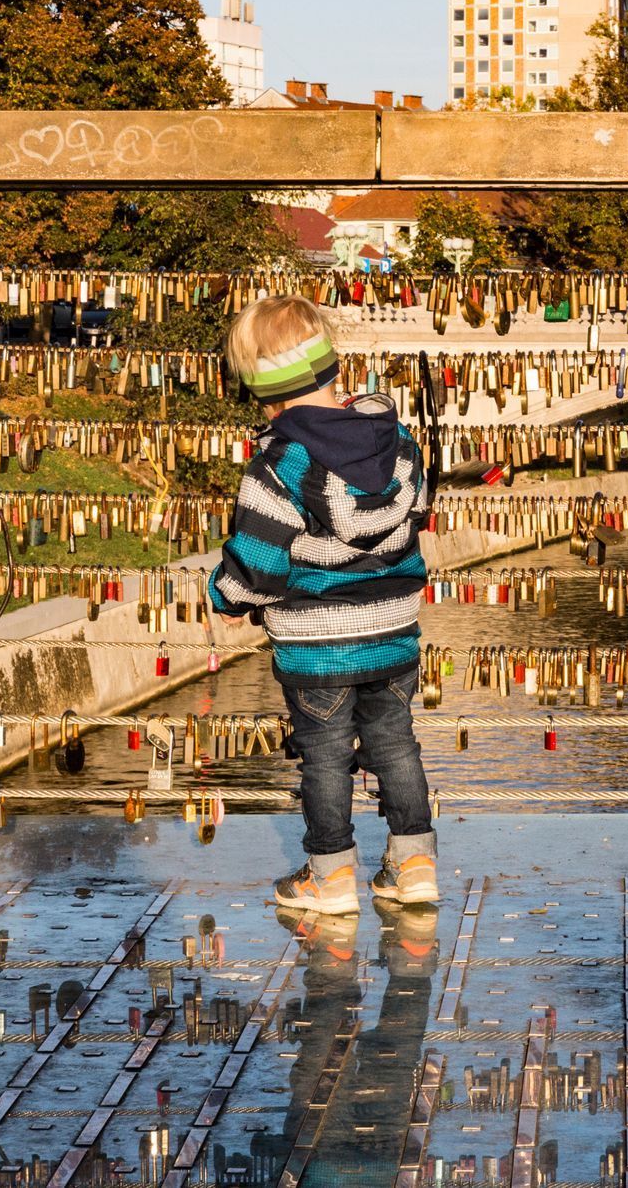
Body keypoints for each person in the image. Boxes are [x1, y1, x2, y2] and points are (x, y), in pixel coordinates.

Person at [210, 295, 438, 914]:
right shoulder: (399, 443)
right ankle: (415, 866)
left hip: (316, 646)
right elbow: (416, 513)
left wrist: (225, 596)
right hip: (393, 631)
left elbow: (259, 563)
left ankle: (331, 877)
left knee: (325, 759)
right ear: (333, 367)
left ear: (263, 391)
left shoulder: (277, 465)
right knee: (396, 745)